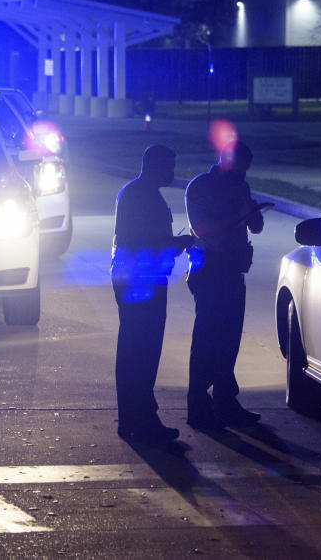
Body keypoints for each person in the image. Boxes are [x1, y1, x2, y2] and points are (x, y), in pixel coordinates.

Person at [112, 144, 194, 446]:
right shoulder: (139, 195)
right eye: (168, 167)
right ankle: (138, 420)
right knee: (140, 351)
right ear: (153, 165)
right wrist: (177, 243)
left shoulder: (139, 192)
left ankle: (137, 417)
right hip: (139, 280)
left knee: (139, 350)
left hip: (142, 277)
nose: (172, 174)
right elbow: (141, 240)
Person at [185, 140, 265, 430]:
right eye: (239, 168)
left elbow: (254, 227)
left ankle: (225, 401)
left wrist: (253, 215)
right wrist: (240, 215)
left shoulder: (240, 187)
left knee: (230, 339)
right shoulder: (201, 186)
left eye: (246, 170)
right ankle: (198, 405)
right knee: (207, 338)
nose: (242, 175)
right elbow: (202, 228)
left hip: (233, 269)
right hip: (209, 270)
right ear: (225, 161)